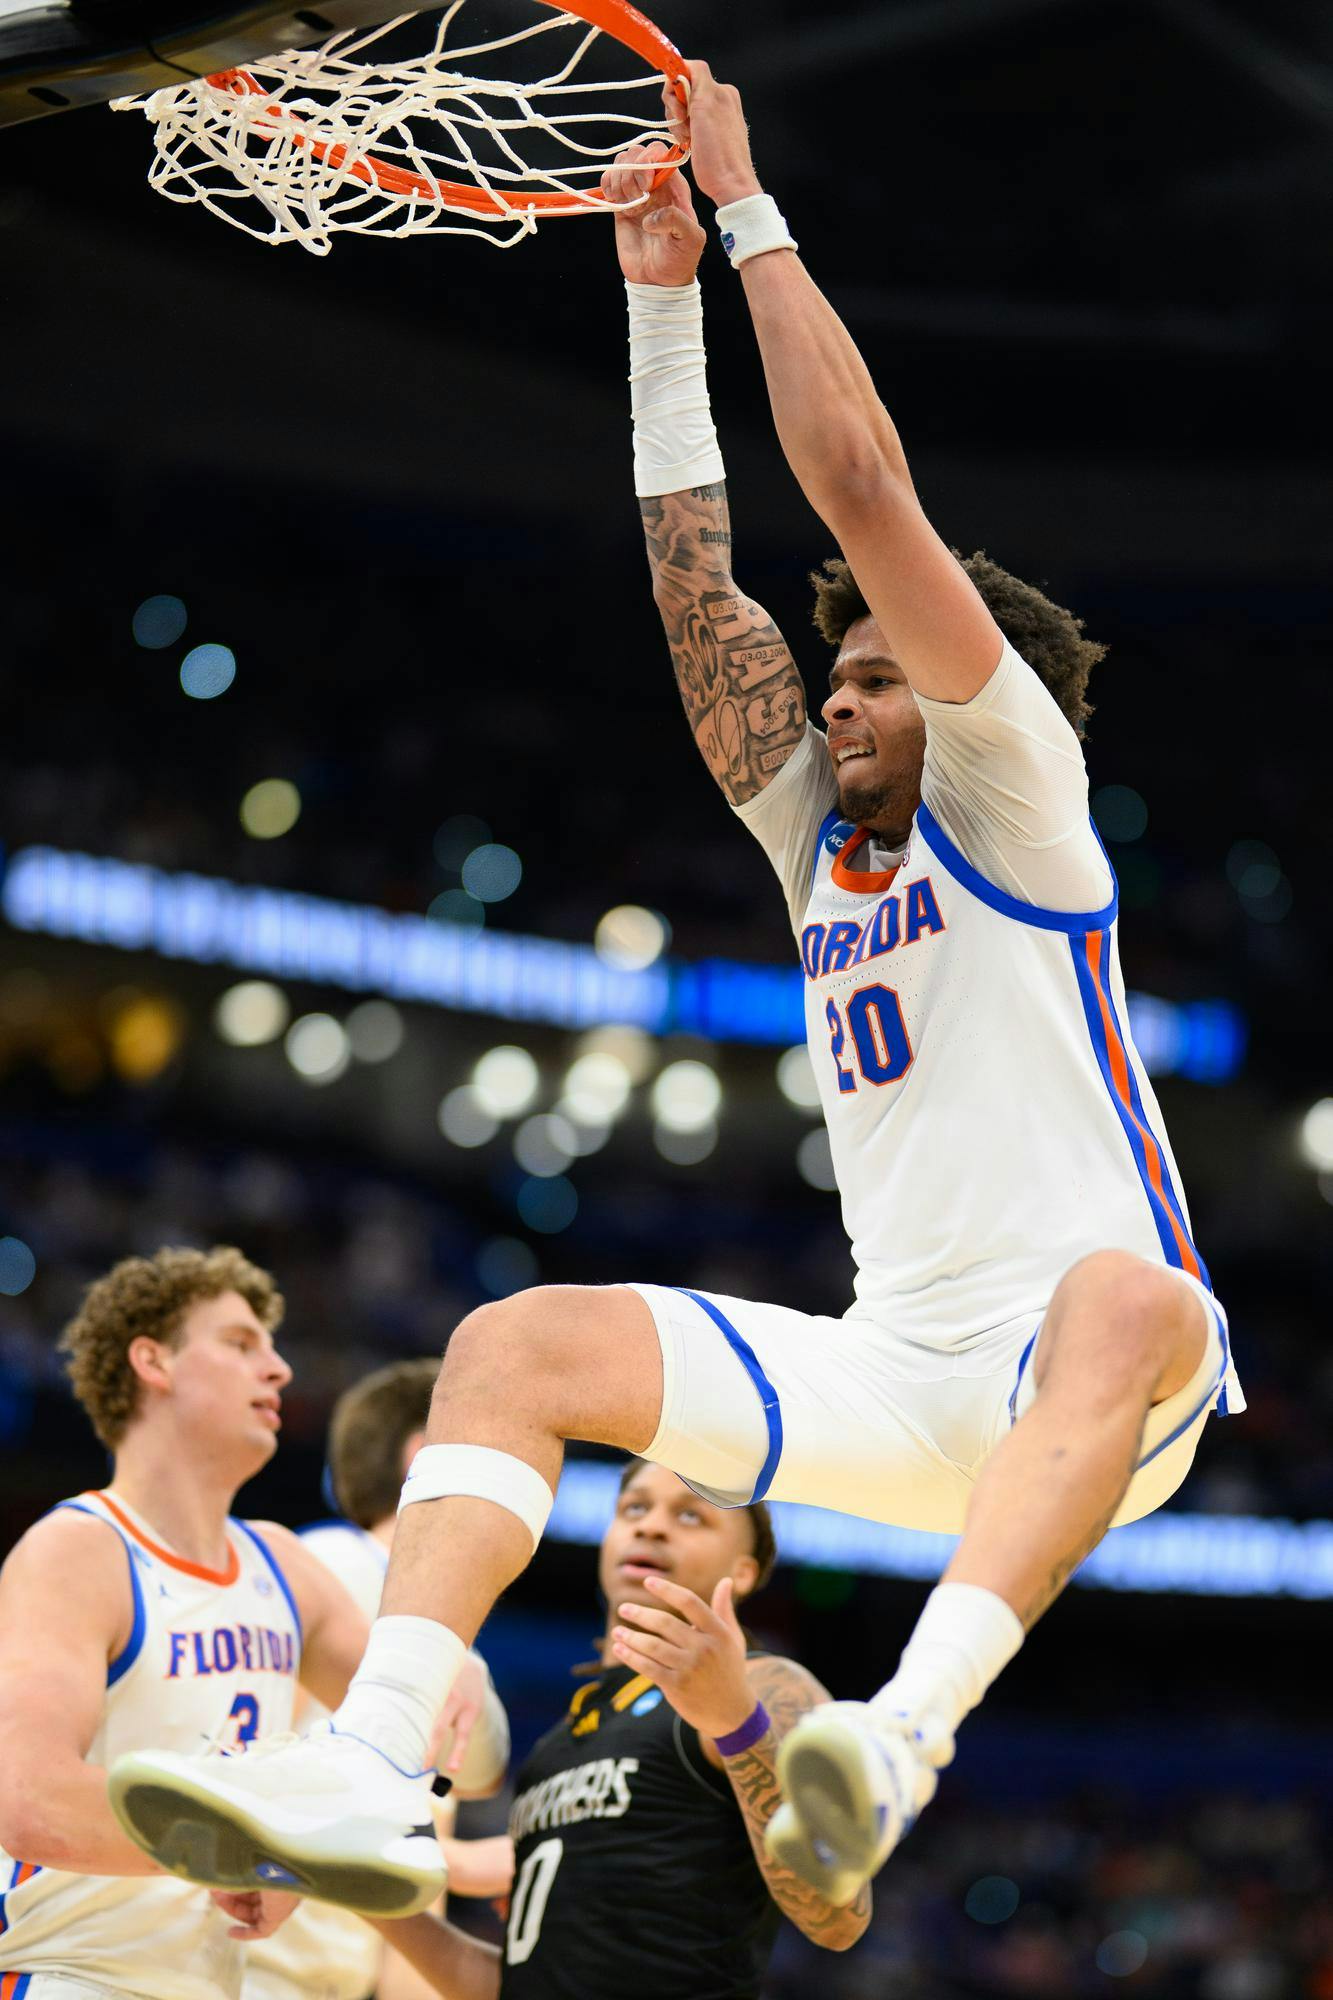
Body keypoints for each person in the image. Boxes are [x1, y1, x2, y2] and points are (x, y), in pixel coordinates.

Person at [106, 62, 1244, 1918]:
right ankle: (370, 1777)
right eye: (838, 678)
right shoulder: (820, 844)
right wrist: (651, 306)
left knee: (1124, 1287)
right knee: (513, 1345)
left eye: (871, 676)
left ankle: (899, 1734)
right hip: (906, 1387)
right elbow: (691, 587)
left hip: (1109, 1389)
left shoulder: (1020, 801)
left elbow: (861, 482)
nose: (835, 698)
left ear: (968, 703)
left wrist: (746, 215)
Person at [340, 1459, 869, 1999]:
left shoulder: (770, 1687)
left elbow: (839, 1916)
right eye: (633, 1508)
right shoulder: (560, 1743)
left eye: (691, 1516)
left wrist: (736, 1723)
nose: (652, 1525)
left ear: (746, 1571)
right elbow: (515, 1985)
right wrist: (350, 1885)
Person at [245, 1359, 511, 2000]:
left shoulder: (430, 1627)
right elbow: (236, 1766)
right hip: (246, 1973)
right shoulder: (333, 1566)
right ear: (430, 1458)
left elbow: (423, 1861)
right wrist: (478, 1865)